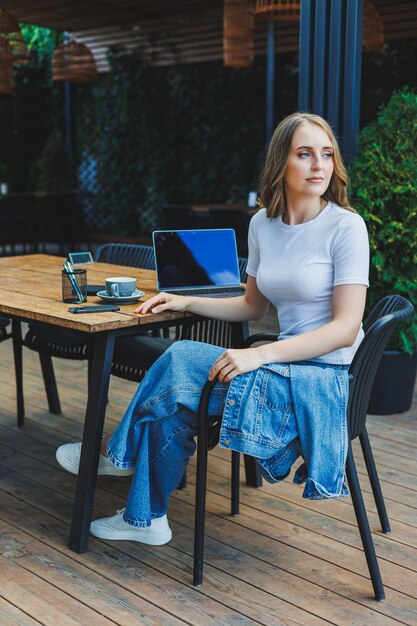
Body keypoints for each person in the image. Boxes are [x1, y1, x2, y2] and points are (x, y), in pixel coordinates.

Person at [56, 112, 369, 546]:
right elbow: (251, 304)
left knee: (182, 356)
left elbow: (345, 329)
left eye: (327, 154)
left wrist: (257, 354)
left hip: (318, 380)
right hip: (280, 367)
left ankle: (115, 454)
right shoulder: (263, 224)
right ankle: (146, 519)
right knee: (178, 405)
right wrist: (184, 300)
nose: (319, 165)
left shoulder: (346, 228)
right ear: (281, 162)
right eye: (305, 154)